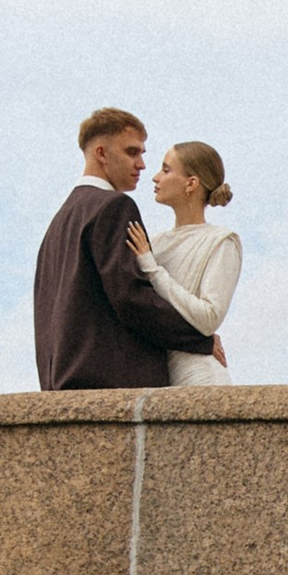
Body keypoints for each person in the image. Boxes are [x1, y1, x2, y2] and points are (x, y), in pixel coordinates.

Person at [32, 108, 198, 390]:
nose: (142, 164)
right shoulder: (114, 206)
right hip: (111, 387)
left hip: (59, 389)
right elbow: (131, 297)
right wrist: (199, 337)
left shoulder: (58, 225)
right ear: (101, 153)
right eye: (132, 152)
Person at [128, 141, 241, 385]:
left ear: (191, 183)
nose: (155, 177)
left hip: (200, 379)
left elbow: (209, 318)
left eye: (166, 170)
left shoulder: (221, 242)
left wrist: (153, 269)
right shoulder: (154, 244)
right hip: (158, 377)